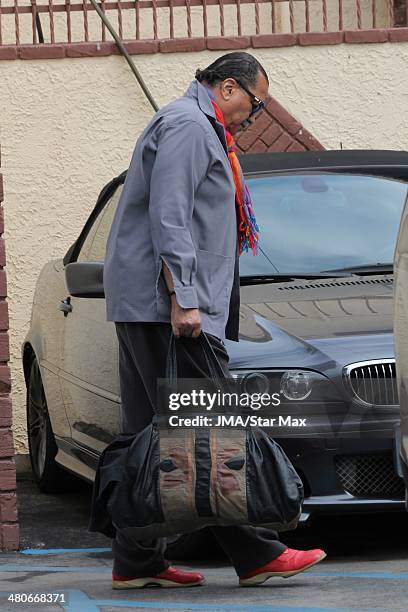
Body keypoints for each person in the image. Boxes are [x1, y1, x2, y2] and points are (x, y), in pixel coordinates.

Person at [102, 51, 327, 589]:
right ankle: (256, 553)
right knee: (214, 426)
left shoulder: (194, 126)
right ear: (228, 87)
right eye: (255, 101)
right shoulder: (187, 126)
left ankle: (138, 562)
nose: (256, 114)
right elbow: (171, 213)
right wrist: (184, 296)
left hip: (151, 305)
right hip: (167, 308)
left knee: (154, 433)